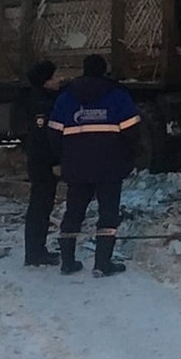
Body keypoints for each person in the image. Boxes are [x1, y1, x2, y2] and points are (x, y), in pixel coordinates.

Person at [47, 54, 141, 277]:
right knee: (108, 214)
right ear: (104, 70)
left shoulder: (66, 96)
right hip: (109, 165)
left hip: (76, 166)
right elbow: (132, 132)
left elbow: (53, 133)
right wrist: (130, 158)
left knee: (74, 213)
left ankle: (67, 262)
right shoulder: (117, 95)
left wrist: (60, 159)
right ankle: (102, 263)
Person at [23, 59, 61, 266]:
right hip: (42, 163)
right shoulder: (41, 104)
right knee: (40, 205)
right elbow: (43, 139)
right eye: (55, 77)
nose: (59, 79)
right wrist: (54, 162)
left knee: (42, 205)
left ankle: (37, 249)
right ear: (46, 81)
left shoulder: (42, 99)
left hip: (40, 161)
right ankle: (35, 252)